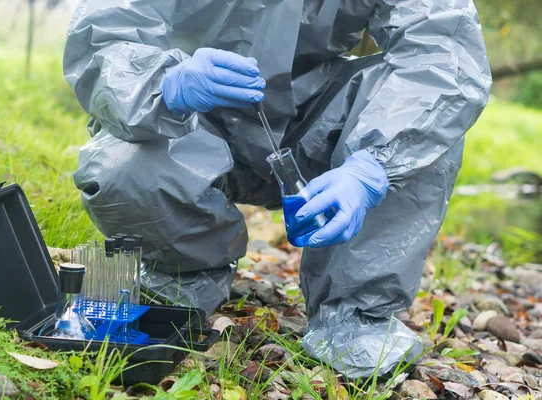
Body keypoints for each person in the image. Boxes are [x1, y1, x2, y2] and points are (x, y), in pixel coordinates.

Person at [65, 0, 491, 378]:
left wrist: (371, 165)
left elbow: (444, 51)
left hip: (318, 127)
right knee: (120, 160)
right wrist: (164, 84)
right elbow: (104, 33)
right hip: (193, 118)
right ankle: (182, 271)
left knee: (426, 121)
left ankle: (355, 311)